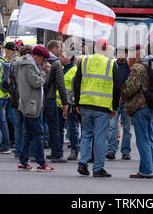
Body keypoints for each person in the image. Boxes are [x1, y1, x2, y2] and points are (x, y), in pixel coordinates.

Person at [73, 39, 120, 178]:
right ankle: (98, 168)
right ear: (107, 49)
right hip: (103, 106)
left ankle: (83, 162)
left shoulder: (85, 61)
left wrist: (77, 103)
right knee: (100, 137)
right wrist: (115, 107)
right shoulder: (111, 63)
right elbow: (117, 87)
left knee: (86, 134)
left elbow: (77, 82)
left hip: (86, 103)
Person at [122, 53, 153, 179]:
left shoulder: (138, 68)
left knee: (142, 140)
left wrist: (123, 96)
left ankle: (146, 170)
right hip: (150, 105)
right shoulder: (151, 68)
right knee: (150, 138)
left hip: (140, 105)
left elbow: (130, 87)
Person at [16, 45, 56, 172]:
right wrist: (44, 73)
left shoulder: (28, 64)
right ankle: (41, 163)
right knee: (39, 133)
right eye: (43, 59)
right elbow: (36, 82)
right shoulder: (29, 66)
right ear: (36, 56)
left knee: (28, 133)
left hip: (29, 102)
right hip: (32, 104)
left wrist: (42, 70)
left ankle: (23, 162)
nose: (44, 61)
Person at [44, 40, 69, 163]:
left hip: (38, 99)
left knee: (36, 127)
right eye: (59, 49)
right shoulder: (56, 63)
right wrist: (65, 103)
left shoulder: (39, 60)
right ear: (53, 48)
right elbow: (61, 85)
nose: (60, 51)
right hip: (50, 98)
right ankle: (56, 154)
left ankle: (33, 153)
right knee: (54, 127)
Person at [106, 46, 132, 161]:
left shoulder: (130, 67)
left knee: (127, 127)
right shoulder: (112, 65)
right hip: (114, 100)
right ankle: (111, 150)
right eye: (119, 53)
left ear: (126, 54)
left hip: (127, 101)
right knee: (112, 126)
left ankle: (126, 152)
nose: (121, 55)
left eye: (123, 53)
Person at [57, 49, 79, 160]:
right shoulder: (60, 68)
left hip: (70, 104)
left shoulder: (75, 70)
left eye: (62, 56)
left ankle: (75, 150)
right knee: (59, 129)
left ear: (69, 58)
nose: (60, 58)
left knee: (72, 128)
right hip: (59, 103)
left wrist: (72, 104)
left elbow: (75, 89)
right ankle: (58, 151)